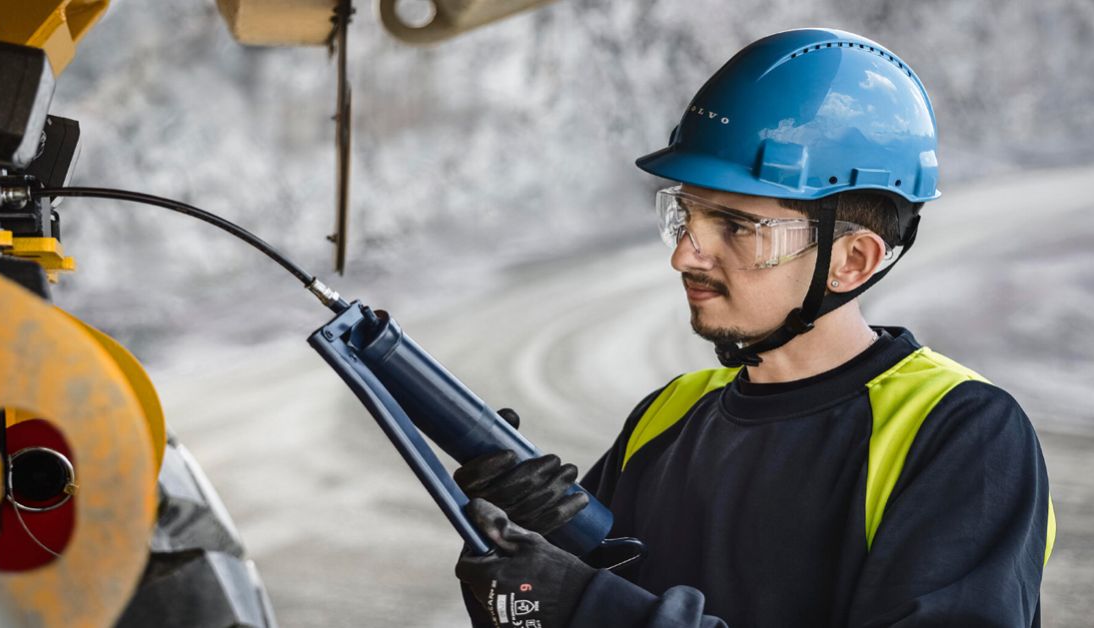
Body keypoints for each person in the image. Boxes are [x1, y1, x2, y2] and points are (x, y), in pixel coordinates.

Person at [452, 28, 1056, 627]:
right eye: (685, 216)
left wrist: (594, 610)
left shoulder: (961, 434)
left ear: (852, 261)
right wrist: (531, 557)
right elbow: (581, 594)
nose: (685, 255)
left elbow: (608, 610)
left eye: (737, 227)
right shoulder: (668, 416)